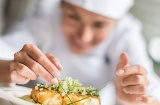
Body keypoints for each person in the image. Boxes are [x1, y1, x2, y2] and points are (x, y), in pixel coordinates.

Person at [0, 0, 160, 104]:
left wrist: (136, 97)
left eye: (99, 25)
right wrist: (12, 68)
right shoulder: (47, 19)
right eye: (73, 17)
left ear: (116, 22)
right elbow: (5, 50)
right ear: (61, 6)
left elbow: (154, 93)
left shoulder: (126, 33)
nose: (84, 37)